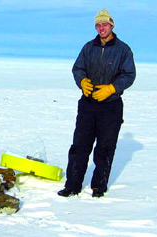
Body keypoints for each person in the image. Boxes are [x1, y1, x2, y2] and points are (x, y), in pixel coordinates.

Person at [58, 8, 136, 198]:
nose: (102, 28)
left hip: (111, 106)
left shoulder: (123, 50)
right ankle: (72, 185)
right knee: (80, 146)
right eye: (98, 25)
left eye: (105, 24)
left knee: (105, 147)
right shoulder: (88, 48)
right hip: (88, 104)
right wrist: (82, 81)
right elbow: (78, 68)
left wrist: (112, 88)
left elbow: (129, 74)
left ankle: (99, 187)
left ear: (112, 26)